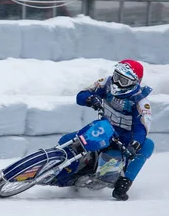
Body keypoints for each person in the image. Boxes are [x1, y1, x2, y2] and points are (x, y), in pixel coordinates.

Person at [59, 60, 154, 201]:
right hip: (103, 127)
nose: (117, 82)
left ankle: (124, 183)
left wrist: (135, 144)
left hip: (123, 137)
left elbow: (142, 129)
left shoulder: (141, 103)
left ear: (135, 82)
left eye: (122, 80)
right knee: (66, 139)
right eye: (116, 76)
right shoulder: (106, 83)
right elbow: (81, 96)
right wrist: (91, 99)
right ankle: (59, 163)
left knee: (148, 144)